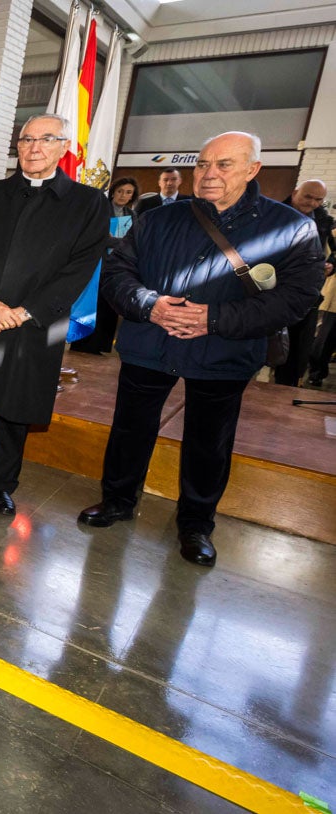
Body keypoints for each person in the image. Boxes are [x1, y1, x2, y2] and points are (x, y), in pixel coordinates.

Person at [80, 132, 324, 567]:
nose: (209, 174)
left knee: (209, 442)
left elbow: (297, 297)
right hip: (148, 344)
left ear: (253, 170)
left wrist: (213, 319)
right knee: (130, 429)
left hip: (224, 351)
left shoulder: (290, 227)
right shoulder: (157, 217)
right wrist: (149, 305)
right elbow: (118, 272)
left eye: (224, 165)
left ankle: (195, 524)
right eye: (202, 164)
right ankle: (117, 500)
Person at [0, 114, 110, 515]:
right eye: (26, 139)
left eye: (46, 139)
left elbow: (81, 266)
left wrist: (26, 310)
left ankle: (1, 483)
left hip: (35, 323)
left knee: (17, 408)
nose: (34, 148)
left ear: (64, 147)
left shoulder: (88, 204)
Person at [273, 180, 333, 386]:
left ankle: (283, 395)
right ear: (295, 192)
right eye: (308, 197)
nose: (313, 203)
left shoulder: (324, 222)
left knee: (295, 353)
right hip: (270, 292)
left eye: (319, 200)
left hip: (304, 297)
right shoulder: (271, 215)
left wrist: (329, 265)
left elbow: (333, 253)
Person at [71, 176, 138, 355]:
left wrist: (118, 242)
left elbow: (134, 241)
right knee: (94, 302)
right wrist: (121, 242)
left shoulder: (132, 215)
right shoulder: (101, 210)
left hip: (117, 266)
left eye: (128, 192)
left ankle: (101, 344)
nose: (123, 195)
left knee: (110, 304)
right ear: (113, 192)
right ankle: (84, 343)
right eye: (120, 191)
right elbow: (99, 238)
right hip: (96, 264)